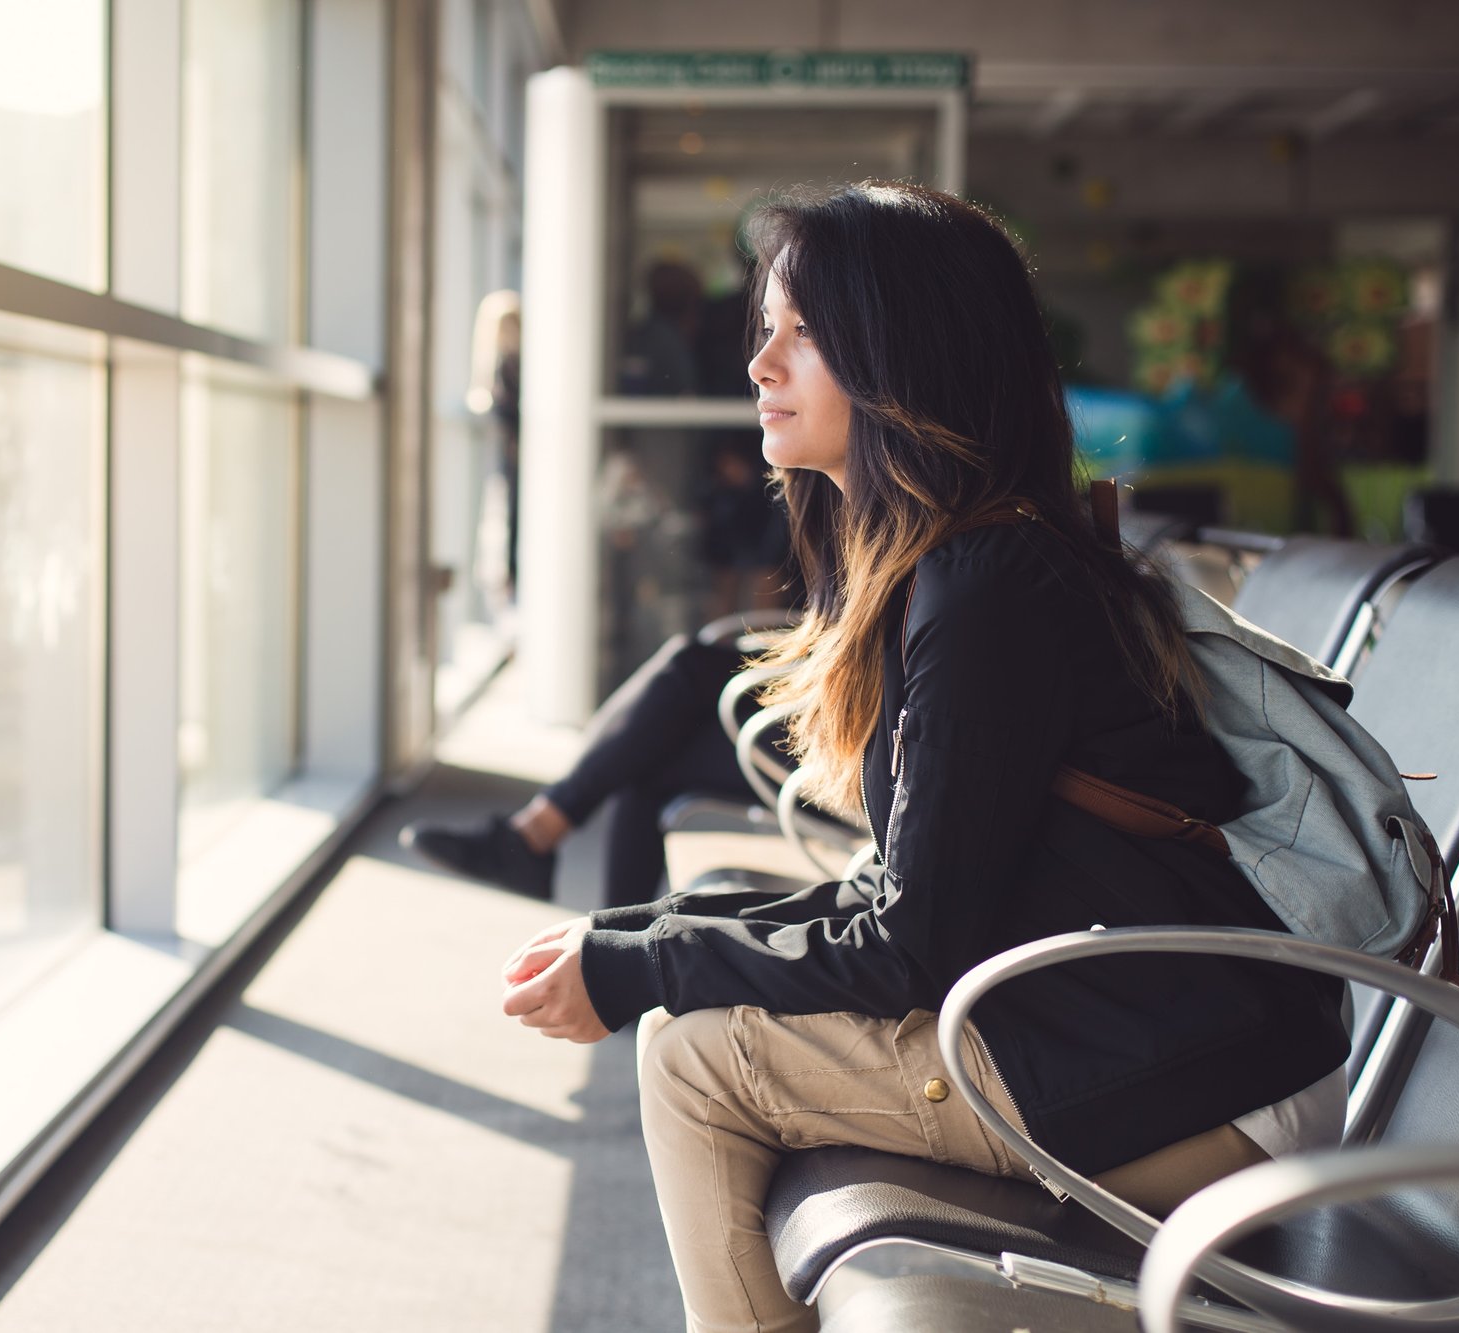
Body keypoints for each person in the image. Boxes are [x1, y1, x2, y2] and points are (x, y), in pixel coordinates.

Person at [495, 182, 1349, 1333]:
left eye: (803, 335)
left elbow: (909, 943)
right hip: (1162, 1031)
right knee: (684, 1011)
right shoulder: (969, 561)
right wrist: (639, 936)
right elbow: (910, 895)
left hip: (1201, 1083)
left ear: (902, 356)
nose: (759, 364)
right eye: (766, 330)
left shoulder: (985, 587)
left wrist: (640, 965)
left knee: (694, 1058)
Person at [400, 627, 782, 906]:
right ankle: (614, 949)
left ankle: (537, 838)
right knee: (655, 726)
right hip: (805, 713)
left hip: (815, 755)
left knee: (659, 723)